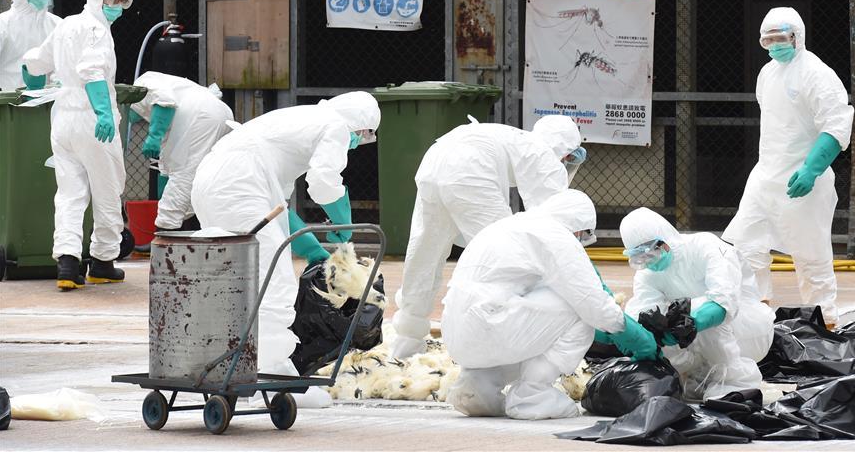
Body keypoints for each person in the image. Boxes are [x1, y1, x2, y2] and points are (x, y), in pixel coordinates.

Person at [190, 91, 380, 377]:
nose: (355, 145)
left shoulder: (298, 123)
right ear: (360, 126)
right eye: (362, 137)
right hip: (239, 186)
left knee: (236, 281)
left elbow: (276, 210)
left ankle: (230, 363)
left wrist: (312, 248)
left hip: (213, 183)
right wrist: (344, 224)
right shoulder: (336, 127)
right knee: (274, 285)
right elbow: (324, 183)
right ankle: (276, 375)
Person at [441, 190, 658, 420]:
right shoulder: (557, 235)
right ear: (578, 226)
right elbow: (593, 304)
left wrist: (606, 334)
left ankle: (476, 388)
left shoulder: (509, 226)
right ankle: (532, 397)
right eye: (583, 236)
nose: (581, 242)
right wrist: (633, 335)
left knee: (529, 308)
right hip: (493, 324)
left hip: (457, 335)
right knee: (580, 309)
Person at [391, 115, 586, 359]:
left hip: (434, 162)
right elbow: (552, 220)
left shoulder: (512, 138)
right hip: (470, 170)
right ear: (566, 150)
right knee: (506, 256)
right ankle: (498, 344)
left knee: (425, 251)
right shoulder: (542, 154)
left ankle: (406, 340)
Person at [722, 7, 854, 329]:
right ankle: (756, 315)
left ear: (797, 36)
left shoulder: (817, 74)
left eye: (780, 39)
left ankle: (825, 321)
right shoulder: (767, 74)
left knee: (811, 254)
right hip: (765, 175)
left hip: (802, 178)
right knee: (746, 246)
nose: (774, 46)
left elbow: (836, 125)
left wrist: (812, 168)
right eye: (767, 41)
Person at [23, 0, 133, 291]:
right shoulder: (97, 30)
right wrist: (102, 112)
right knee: (107, 189)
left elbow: (35, 63)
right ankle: (102, 261)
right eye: (113, 0)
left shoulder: (66, 24)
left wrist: (31, 81)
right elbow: (91, 71)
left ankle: (68, 264)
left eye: (123, 1)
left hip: (62, 121)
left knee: (70, 194)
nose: (118, 8)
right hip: (90, 119)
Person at [620, 207, 774, 400]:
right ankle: (697, 377)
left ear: (664, 242)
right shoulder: (647, 274)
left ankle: (736, 381)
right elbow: (642, 311)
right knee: (650, 325)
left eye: (650, 254)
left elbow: (724, 301)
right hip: (701, 338)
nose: (647, 263)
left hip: (748, 329)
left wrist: (692, 322)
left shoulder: (705, 246)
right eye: (640, 259)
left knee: (695, 309)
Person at [130, 71, 234, 231]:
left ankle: (166, 230)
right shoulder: (172, 87)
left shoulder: (143, 82)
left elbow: (165, 102)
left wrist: (154, 136)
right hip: (220, 113)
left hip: (201, 116)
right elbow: (166, 164)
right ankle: (203, 227)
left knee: (183, 173)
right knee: (208, 175)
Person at [0, 0, 61, 90]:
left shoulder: (57, 24)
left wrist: (60, 80)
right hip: (8, 100)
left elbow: (66, 61)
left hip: (47, 101)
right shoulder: (3, 24)